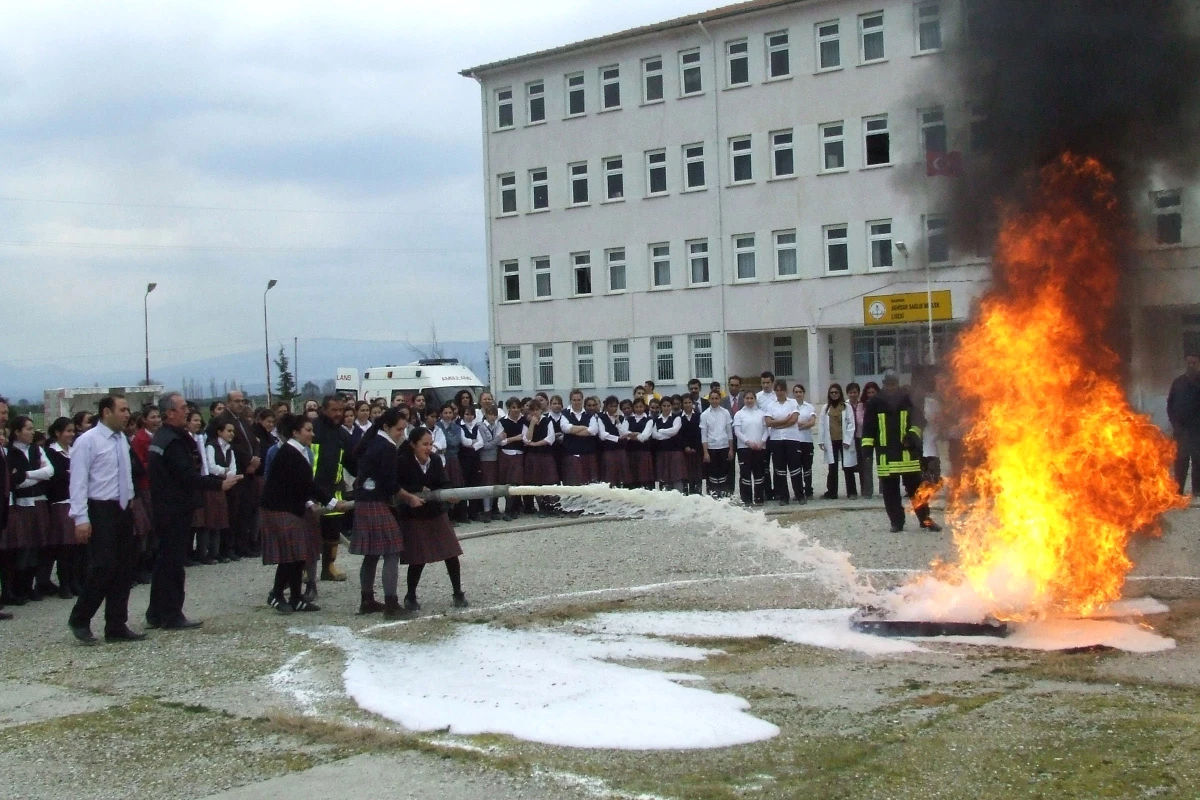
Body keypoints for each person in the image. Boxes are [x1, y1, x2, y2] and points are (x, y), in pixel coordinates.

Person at [146, 393, 240, 630]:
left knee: (163, 561)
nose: (187, 411)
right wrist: (218, 484)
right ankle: (171, 614)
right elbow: (185, 476)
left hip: (165, 506)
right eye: (183, 407)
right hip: (174, 508)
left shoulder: (163, 436)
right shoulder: (173, 441)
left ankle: (156, 612)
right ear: (170, 412)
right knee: (173, 564)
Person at [66, 395, 142, 643]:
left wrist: (130, 498)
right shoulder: (88, 441)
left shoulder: (121, 439)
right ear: (107, 412)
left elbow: (126, 473)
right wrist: (80, 518)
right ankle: (80, 618)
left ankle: (116, 625)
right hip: (99, 509)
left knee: (124, 568)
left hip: (122, 508)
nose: (127, 414)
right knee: (103, 567)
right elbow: (78, 481)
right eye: (123, 409)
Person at [260, 414, 344, 613]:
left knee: (300, 554)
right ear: (295, 433)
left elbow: (297, 484)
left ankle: (296, 597)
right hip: (278, 508)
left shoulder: (300, 451)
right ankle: (277, 595)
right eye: (308, 430)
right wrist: (332, 503)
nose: (312, 434)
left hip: (293, 506)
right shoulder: (289, 452)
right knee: (291, 554)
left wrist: (308, 502)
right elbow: (307, 484)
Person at [397, 426, 467, 611]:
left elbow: (443, 481)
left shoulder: (435, 460)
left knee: (451, 553)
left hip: (435, 512)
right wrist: (419, 488)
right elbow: (398, 486)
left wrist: (449, 493)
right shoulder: (403, 462)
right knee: (417, 558)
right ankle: (410, 596)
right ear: (413, 444)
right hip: (414, 515)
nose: (428, 448)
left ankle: (458, 592)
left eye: (431, 444)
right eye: (424, 444)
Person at [862, 371, 940, 533]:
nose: (891, 387)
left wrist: (912, 436)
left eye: (893, 383)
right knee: (890, 492)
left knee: (916, 490)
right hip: (886, 456)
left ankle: (925, 519)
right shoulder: (874, 403)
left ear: (897, 383)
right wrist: (867, 451)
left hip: (907, 454)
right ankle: (896, 522)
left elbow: (919, 422)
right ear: (883, 384)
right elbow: (868, 428)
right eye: (888, 384)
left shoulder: (908, 399)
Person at [350, 408, 408, 617]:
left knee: (372, 554)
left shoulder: (373, 442)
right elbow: (390, 483)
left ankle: (367, 601)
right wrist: (409, 497)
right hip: (374, 502)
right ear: (386, 427)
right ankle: (391, 604)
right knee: (392, 550)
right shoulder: (386, 447)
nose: (401, 433)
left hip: (364, 501)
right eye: (398, 429)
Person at [5, 415, 54, 603]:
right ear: (17, 432)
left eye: (33, 428)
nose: (32, 432)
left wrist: (26, 474)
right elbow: (15, 483)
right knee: (23, 547)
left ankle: (29, 585)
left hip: (39, 501)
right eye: (28, 429)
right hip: (21, 505)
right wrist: (36, 476)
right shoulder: (9, 453)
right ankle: (17, 588)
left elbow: (50, 472)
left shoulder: (37, 449)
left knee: (37, 545)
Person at [311, 395, 356, 585]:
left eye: (341, 410)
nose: (338, 414)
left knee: (332, 532)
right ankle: (307, 569)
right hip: (310, 489)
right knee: (310, 532)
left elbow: (351, 462)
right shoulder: (311, 429)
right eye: (334, 410)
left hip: (334, 490)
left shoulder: (343, 434)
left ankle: (329, 567)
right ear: (323, 410)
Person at [213, 391, 263, 558]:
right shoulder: (222, 421)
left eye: (242, 401)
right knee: (234, 511)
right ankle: (230, 547)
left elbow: (254, 441)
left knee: (246, 510)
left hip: (249, 472)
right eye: (236, 401)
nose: (240, 404)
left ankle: (245, 543)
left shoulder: (243, 421)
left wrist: (255, 458)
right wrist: (247, 461)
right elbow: (230, 445)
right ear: (228, 402)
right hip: (235, 471)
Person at [43, 418, 79, 599]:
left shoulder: (74, 451)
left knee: (76, 547)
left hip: (76, 500)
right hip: (61, 502)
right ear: (57, 433)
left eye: (73, 431)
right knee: (65, 546)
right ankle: (64, 583)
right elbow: (56, 477)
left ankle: (74, 581)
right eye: (68, 431)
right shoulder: (51, 452)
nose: (71, 435)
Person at [763, 380, 806, 505]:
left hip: (792, 439)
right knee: (780, 470)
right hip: (776, 440)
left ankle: (800, 495)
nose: (779, 392)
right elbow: (768, 422)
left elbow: (793, 420)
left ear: (785, 391)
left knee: (795, 468)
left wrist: (778, 424)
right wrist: (784, 421)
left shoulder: (792, 403)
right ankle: (783, 496)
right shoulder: (771, 405)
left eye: (781, 390)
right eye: (777, 390)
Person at [204, 420, 238, 561]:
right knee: (214, 520)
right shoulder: (211, 446)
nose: (232, 434)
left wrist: (229, 475)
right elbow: (211, 466)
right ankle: (212, 552)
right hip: (214, 485)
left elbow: (234, 468)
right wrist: (225, 471)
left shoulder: (229, 448)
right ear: (219, 432)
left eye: (232, 431)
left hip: (228, 484)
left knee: (227, 518)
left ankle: (226, 549)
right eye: (228, 431)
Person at [1167, 351, 1200, 495]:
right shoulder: (1178, 382)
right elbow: (1170, 404)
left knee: (1198, 460)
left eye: (1194, 363)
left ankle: (1197, 491)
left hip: (1197, 429)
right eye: (1188, 363)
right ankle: (1178, 491)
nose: (1191, 366)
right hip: (1181, 429)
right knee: (1180, 460)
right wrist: (1174, 422)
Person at [819, 383, 858, 499]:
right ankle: (832, 492)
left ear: (840, 393)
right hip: (831, 441)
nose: (834, 394)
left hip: (844, 441)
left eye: (836, 392)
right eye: (832, 393)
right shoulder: (826, 408)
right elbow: (821, 424)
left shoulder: (846, 407)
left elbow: (851, 424)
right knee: (832, 467)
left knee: (848, 467)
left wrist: (848, 440)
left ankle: (852, 492)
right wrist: (821, 441)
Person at [522, 399, 559, 513]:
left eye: (537, 410)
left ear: (541, 410)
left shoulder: (547, 421)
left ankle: (552, 506)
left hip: (545, 455)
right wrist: (532, 424)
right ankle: (541, 507)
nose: (535, 412)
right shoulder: (526, 422)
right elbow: (526, 439)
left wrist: (535, 444)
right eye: (532, 410)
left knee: (549, 481)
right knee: (535, 482)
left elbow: (550, 438)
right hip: (532, 456)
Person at [733, 390, 768, 505]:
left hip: (759, 448)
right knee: (745, 474)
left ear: (755, 399)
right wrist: (748, 442)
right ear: (743, 400)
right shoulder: (739, 414)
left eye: (751, 398)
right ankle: (746, 499)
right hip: (744, 448)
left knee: (759, 473)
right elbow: (737, 431)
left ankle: (759, 498)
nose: (749, 400)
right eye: (747, 398)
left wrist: (762, 442)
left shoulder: (761, 414)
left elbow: (766, 430)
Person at [699, 389, 734, 498]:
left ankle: (724, 496)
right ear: (709, 400)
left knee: (723, 472)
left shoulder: (725, 412)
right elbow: (703, 435)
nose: (714, 401)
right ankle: (713, 495)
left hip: (724, 446)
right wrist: (705, 452)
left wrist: (731, 449)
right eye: (712, 398)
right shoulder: (704, 415)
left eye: (716, 398)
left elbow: (729, 432)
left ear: (720, 399)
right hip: (711, 448)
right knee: (712, 473)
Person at [560, 389, 599, 485]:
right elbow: (565, 428)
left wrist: (573, 431)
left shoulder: (590, 415)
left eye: (579, 400)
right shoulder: (565, 413)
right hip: (571, 454)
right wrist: (583, 428)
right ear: (570, 400)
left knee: (589, 484)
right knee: (573, 484)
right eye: (574, 400)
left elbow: (593, 431)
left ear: (582, 400)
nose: (577, 402)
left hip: (588, 454)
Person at [497, 398, 526, 520]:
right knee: (507, 481)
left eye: (517, 407)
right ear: (508, 408)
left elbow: (525, 437)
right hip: (506, 453)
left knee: (516, 481)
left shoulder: (524, 421)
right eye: (513, 407)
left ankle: (515, 508)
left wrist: (510, 439)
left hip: (519, 453)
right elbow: (502, 442)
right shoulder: (502, 422)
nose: (516, 410)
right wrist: (515, 438)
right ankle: (509, 508)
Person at [456, 405, 485, 522]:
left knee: (475, 484)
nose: (469, 416)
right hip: (463, 460)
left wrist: (472, 445)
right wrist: (474, 443)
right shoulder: (459, 427)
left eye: (471, 414)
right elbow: (464, 442)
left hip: (475, 460)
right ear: (463, 415)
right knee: (464, 484)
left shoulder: (476, 426)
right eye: (467, 414)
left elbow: (481, 442)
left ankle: (474, 512)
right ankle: (463, 513)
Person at [652, 396, 685, 492]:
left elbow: (674, 431)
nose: (666, 408)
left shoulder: (677, 418)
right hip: (661, 452)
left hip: (675, 452)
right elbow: (654, 435)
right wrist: (668, 434)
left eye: (668, 405)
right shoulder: (656, 420)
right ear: (660, 407)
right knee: (664, 478)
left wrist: (661, 431)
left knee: (676, 477)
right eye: (664, 406)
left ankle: (679, 498)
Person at [847, 382, 873, 499]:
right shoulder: (845, 405)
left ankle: (865, 489)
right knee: (850, 464)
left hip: (861, 437)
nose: (853, 394)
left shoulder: (862, 405)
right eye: (851, 392)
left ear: (858, 393)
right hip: (850, 439)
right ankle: (852, 491)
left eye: (855, 392)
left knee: (864, 464)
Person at [597, 396, 630, 488]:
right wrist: (617, 439)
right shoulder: (601, 418)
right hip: (608, 451)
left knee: (621, 479)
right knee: (609, 479)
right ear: (607, 407)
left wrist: (618, 422)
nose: (614, 409)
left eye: (615, 406)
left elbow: (624, 433)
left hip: (620, 451)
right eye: (611, 406)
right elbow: (603, 435)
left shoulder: (622, 419)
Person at [792, 384, 818, 499]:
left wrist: (800, 425)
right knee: (796, 468)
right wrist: (803, 424)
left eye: (800, 392)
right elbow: (790, 421)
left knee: (807, 467)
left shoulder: (809, 407)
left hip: (807, 441)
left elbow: (812, 422)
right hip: (795, 441)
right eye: (796, 392)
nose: (798, 394)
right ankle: (798, 492)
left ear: (804, 393)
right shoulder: (790, 406)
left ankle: (808, 490)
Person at [624, 397, 656, 489]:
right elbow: (624, 434)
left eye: (641, 406)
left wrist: (631, 436)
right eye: (636, 407)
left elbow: (645, 436)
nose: (639, 409)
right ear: (633, 407)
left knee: (645, 479)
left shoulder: (649, 420)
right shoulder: (628, 420)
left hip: (644, 452)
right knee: (633, 480)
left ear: (644, 407)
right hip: (630, 453)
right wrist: (637, 434)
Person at [477, 405, 502, 521]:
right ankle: (486, 510)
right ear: (486, 415)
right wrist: (498, 439)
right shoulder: (481, 427)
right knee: (486, 485)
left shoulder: (496, 426)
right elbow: (485, 446)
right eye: (491, 414)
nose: (493, 417)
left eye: (495, 414)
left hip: (495, 459)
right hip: (485, 459)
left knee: (493, 485)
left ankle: (491, 509)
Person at [680, 395, 704, 495]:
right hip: (684, 451)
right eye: (685, 403)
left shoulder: (699, 416)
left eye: (689, 402)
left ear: (693, 404)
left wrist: (696, 447)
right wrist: (685, 446)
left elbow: (701, 433)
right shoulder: (678, 418)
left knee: (697, 473)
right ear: (682, 404)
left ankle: (697, 494)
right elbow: (679, 435)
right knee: (686, 473)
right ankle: (686, 494)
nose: (687, 405)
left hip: (697, 449)